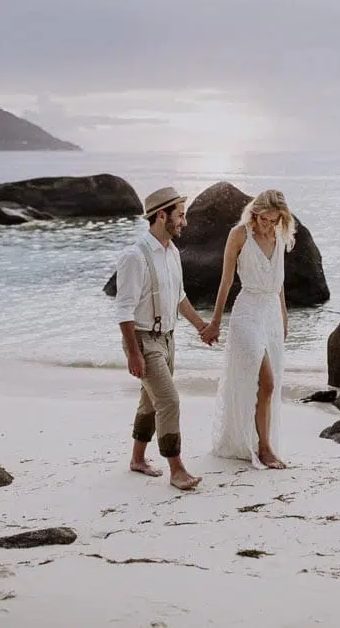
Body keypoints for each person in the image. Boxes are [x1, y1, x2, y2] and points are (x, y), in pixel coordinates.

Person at [115, 187, 215, 491]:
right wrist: (134, 353)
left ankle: (137, 459)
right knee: (169, 400)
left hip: (168, 339)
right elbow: (124, 309)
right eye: (180, 215)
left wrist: (201, 326)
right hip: (144, 341)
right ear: (162, 216)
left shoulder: (172, 252)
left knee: (151, 400)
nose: (184, 222)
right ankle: (177, 469)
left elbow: (179, 297)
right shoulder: (135, 256)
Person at [201, 190, 295, 469]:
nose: (266, 224)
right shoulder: (239, 235)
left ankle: (254, 440)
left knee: (266, 383)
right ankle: (264, 449)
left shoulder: (279, 237)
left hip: (271, 316)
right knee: (267, 380)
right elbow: (226, 281)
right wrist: (215, 321)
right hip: (246, 313)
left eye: (272, 219)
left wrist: (285, 316)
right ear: (254, 212)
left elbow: (279, 284)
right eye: (262, 218)